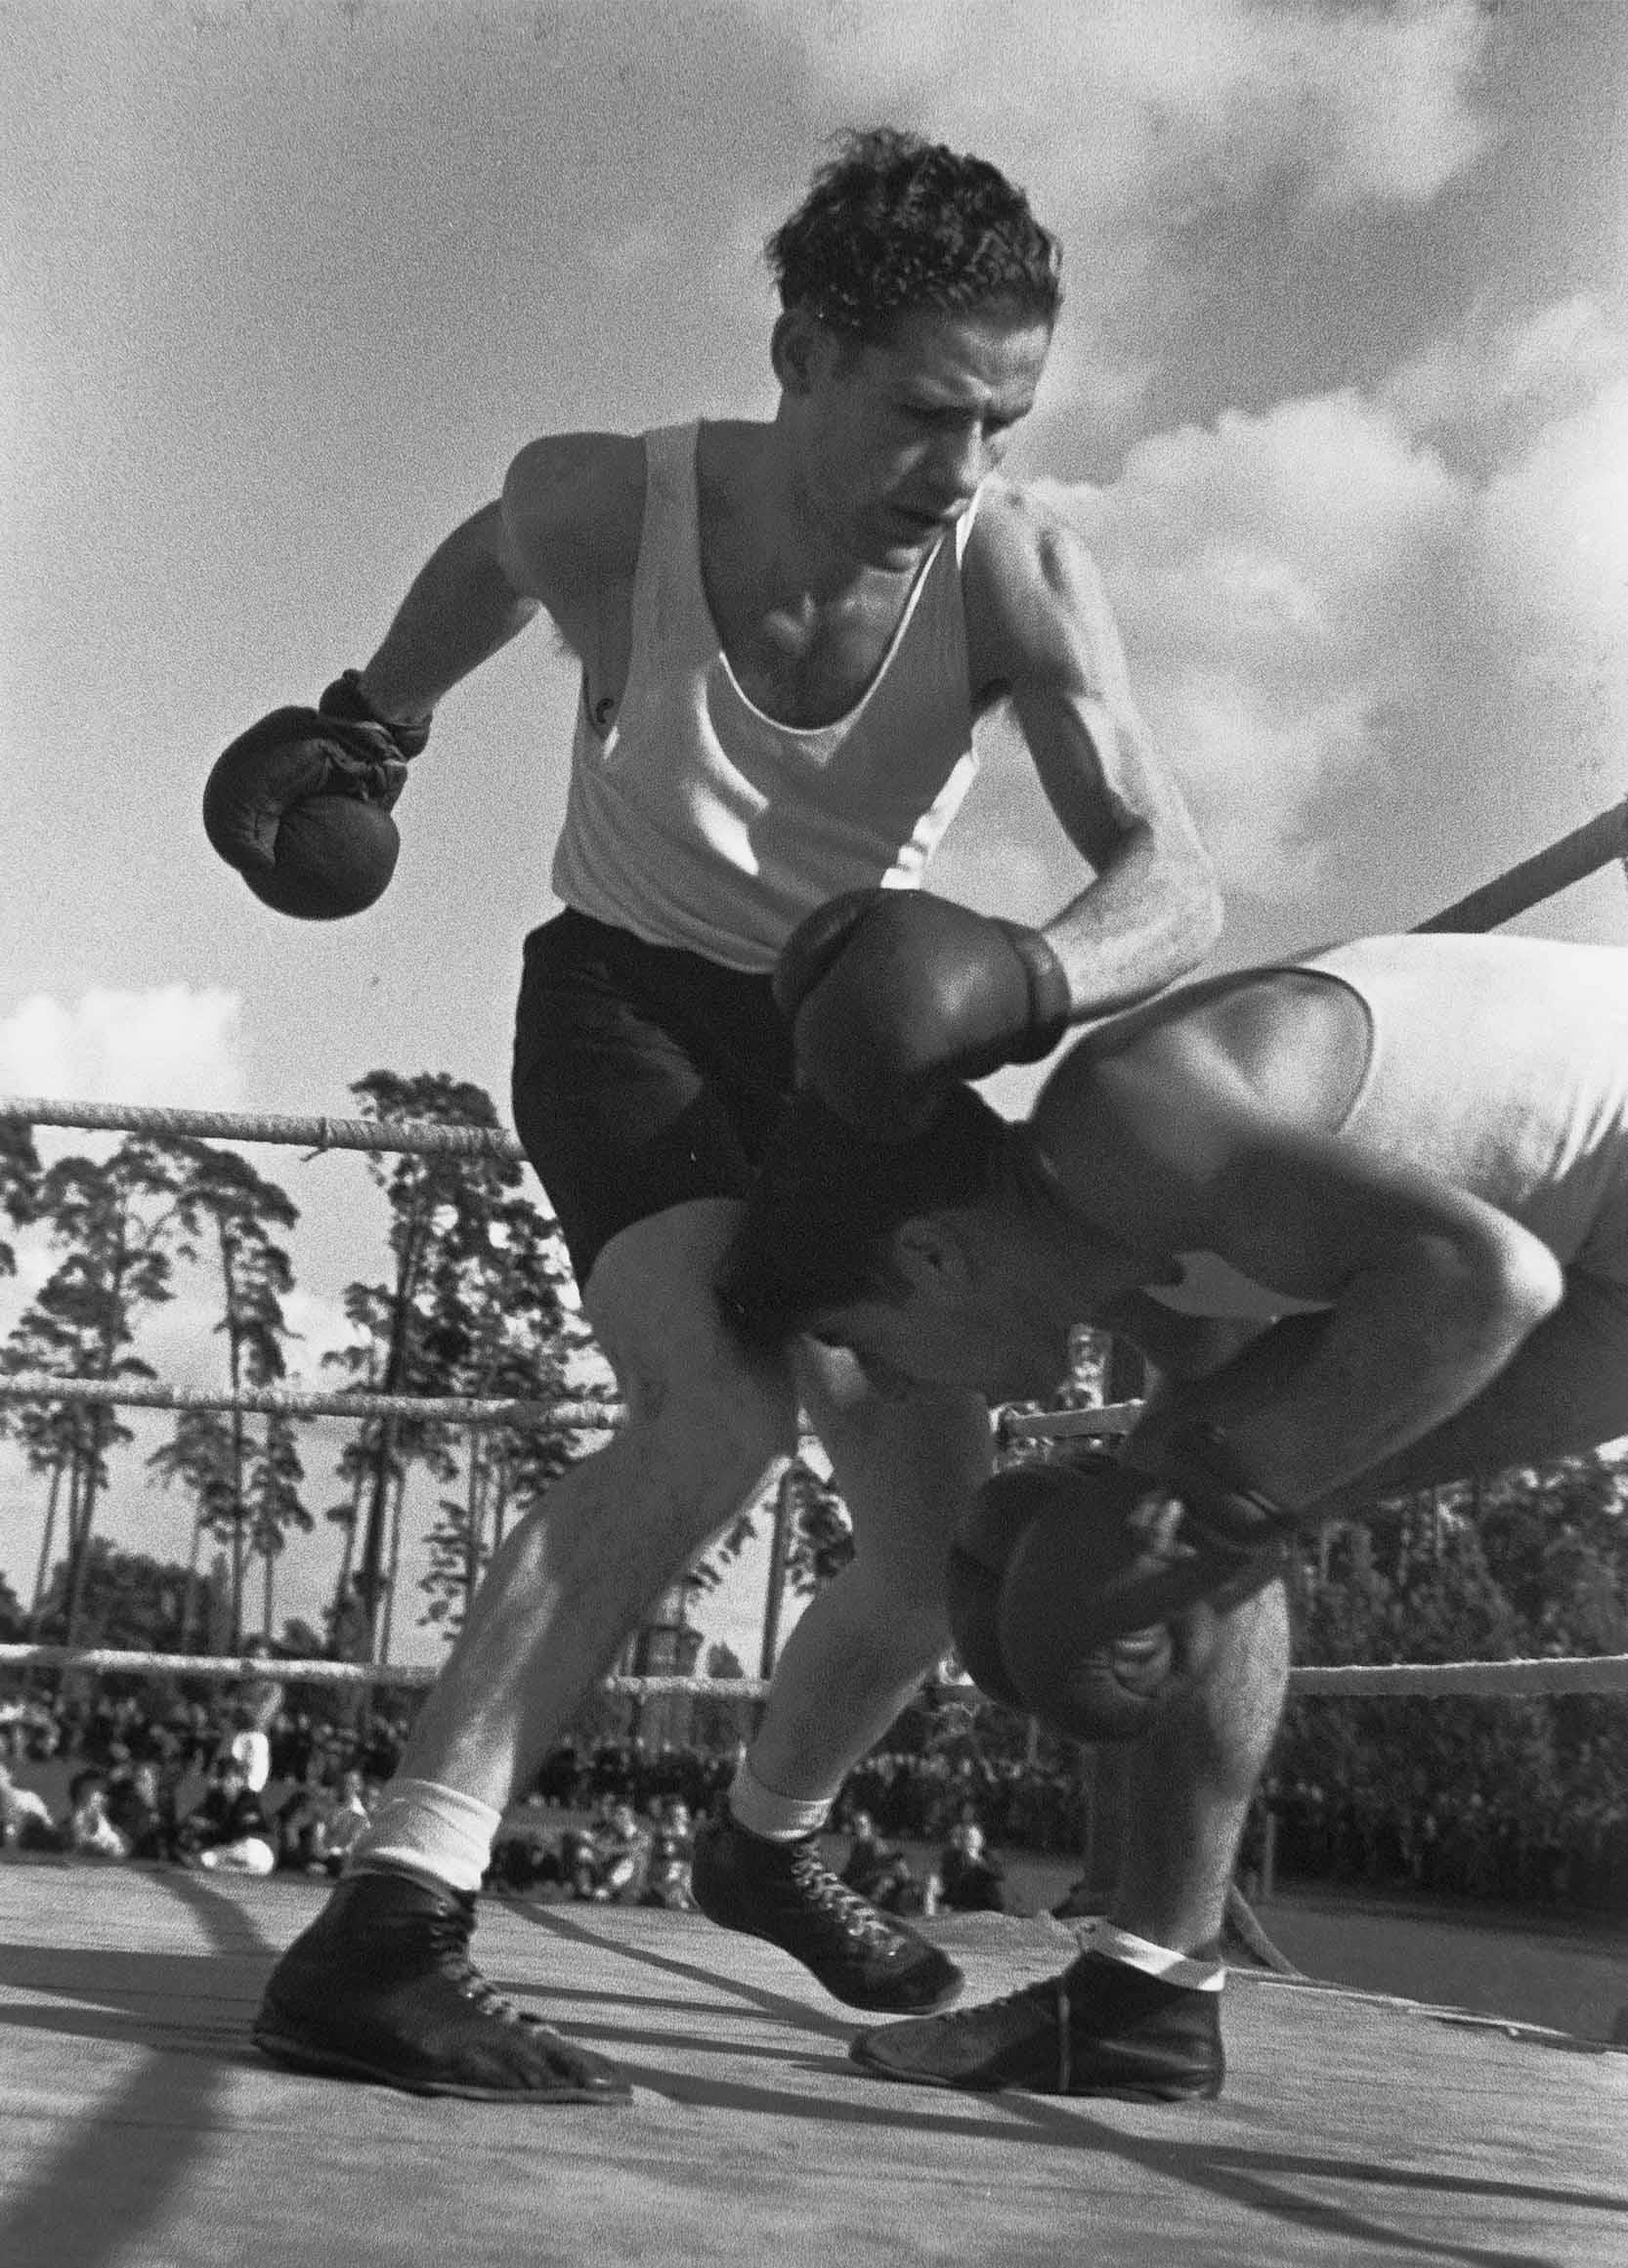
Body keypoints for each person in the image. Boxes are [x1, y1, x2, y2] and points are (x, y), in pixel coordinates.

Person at [211, 128, 1218, 2104]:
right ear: (800, 354)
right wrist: (373, 723)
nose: (962, 467)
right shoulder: (616, 503)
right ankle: (388, 1925)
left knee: (932, 1543)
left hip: (862, 1040)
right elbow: (492, 556)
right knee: (715, 1410)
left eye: (1002, 422)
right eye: (925, 412)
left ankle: (765, 1837)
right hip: (629, 1007)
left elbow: (1172, 882)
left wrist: (1021, 979)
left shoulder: (1013, 570)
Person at [719, 920, 1628, 2095]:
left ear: (934, 1257)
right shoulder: (1130, 1248)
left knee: (1203, 1493)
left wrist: (1209, 1514)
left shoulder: (1125, 1125)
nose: (889, 1387)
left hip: (1571, 1225)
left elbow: (1485, 1279)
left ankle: (1149, 1991)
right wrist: (1182, 1525)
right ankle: (1150, 1993)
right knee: (1183, 1478)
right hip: (1595, 1239)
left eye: (863, 1342)